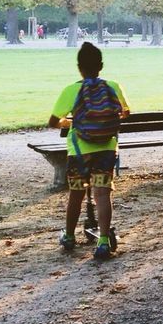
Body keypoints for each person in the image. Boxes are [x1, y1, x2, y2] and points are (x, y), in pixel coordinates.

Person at [48, 42, 129, 260]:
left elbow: (53, 121)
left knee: (76, 194)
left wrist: (69, 123)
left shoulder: (72, 90)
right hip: (106, 148)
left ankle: (69, 236)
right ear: (101, 65)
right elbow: (126, 112)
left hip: (78, 150)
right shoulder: (112, 86)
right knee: (103, 193)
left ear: (79, 67)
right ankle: (103, 241)